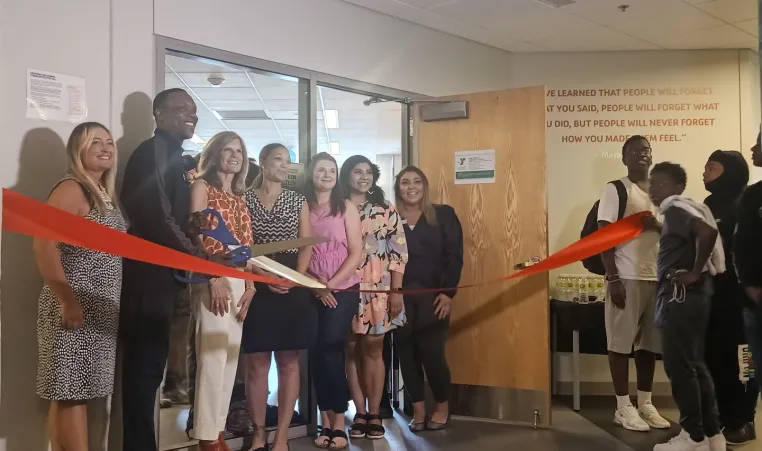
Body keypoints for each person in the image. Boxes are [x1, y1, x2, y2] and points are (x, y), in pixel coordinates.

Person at [120, 88, 233, 451]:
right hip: (148, 275)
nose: (192, 115)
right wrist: (197, 259)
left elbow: (175, 218)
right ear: (158, 114)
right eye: (182, 108)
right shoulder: (150, 151)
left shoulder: (177, 158)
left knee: (153, 369)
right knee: (143, 369)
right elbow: (155, 216)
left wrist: (197, 226)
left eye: (194, 110)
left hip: (167, 277)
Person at [34, 122, 125, 451]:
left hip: (97, 311)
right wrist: (66, 300)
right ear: (77, 150)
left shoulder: (102, 192)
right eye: (94, 143)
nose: (105, 148)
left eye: (109, 142)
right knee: (71, 394)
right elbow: (44, 244)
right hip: (73, 307)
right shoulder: (73, 188)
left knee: (76, 394)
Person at [648, 162, 725, 451]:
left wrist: (692, 272)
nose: (654, 190)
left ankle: (693, 437)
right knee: (695, 364)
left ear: (677, 188)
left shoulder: (676, 209)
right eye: (652, 184)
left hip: (680, 296)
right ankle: (713, 435)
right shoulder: (683, 210)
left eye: (661, 184)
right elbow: (689, 238)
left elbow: (706, 233)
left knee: (679, 366)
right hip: (696, 296)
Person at [243, 143, 315, 451]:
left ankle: (283, 434)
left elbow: (307, 244)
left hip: (291, 284)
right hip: (257, 280)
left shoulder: (298, 200)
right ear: (262, 162)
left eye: (288, 162)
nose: (285, 166)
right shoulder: (243, 199)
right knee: (257, 364)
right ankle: (259, 432)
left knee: (288, 361)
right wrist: (262, 278)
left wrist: (295, 278)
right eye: (278, 160)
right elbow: (241, 246)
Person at [188, 132, 257, 451]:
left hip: (240, 278)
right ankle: (205, 435)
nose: (234, 155)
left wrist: (252, 286)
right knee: (212, 356)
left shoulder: (240, 197)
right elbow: (196, 235)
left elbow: (249, 247)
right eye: (227, 150)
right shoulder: (202, 187)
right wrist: (212, 275)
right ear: (214, 155)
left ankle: (217, 430)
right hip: (212, 277)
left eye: (239, 151)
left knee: (230, 357)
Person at [597, 135, 670, 431]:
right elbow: (603, 234)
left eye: (646, 150)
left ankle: (646, 403)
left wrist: (659, 225)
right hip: (626, 277)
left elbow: (672, 234)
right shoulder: (616, 189)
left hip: (656, 277)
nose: (642, 154)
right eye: (635, 150)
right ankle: (623, 407)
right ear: (624, 157)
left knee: (648, 346)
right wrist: (612, 277)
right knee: (619, 344)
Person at [341, 155, 408, 441]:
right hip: (346, 286)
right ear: (347, 176)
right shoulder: (337, 207)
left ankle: (375, 412)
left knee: (374, 348)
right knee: (351, 348)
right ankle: (359, 411)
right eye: (357, 172)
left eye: (368, 172)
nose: (363, 177)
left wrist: (396, 290)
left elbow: (399, 251)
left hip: (379, 287)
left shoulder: (385, 208)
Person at [393, 166, 463, 432]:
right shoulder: (390, 217)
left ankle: (442, 408)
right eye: (405, 182)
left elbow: (454, 256)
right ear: (398, 187)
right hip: (398, 298)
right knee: (406, 355)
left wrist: (448, 293)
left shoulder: (444, 215)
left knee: (432, 355)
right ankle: (419, 411)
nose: (411, 187)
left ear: (425, 185)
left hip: (434, 297)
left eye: (417, 181)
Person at [304, 153, 363, 450]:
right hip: (310, 290)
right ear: (311, 173)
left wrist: (331, 284)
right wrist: (315, 287)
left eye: (332, 170)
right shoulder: (301, 206)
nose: (326, 175)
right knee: (315, 353)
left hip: (343, 289)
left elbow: (356, 252)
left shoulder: (346, 207)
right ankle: (325, 420)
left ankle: (339, 421)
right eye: (321, 169)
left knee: (330, 348)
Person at [702, 150, 758, 446]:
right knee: (715, 357)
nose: (705, 172)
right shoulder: (708, 204)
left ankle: (744, 418)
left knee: (744, 360)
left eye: (712, 167)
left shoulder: (748, 201)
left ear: (731, 171)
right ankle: (721, 416)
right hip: (713, 298)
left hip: (742, 299)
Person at [735, 132, 762, 434]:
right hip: (755, 303)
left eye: (760, 141)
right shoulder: (753, 196)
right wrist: (751, 286)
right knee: (754, 369)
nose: (754, 147)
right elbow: (741, 246)